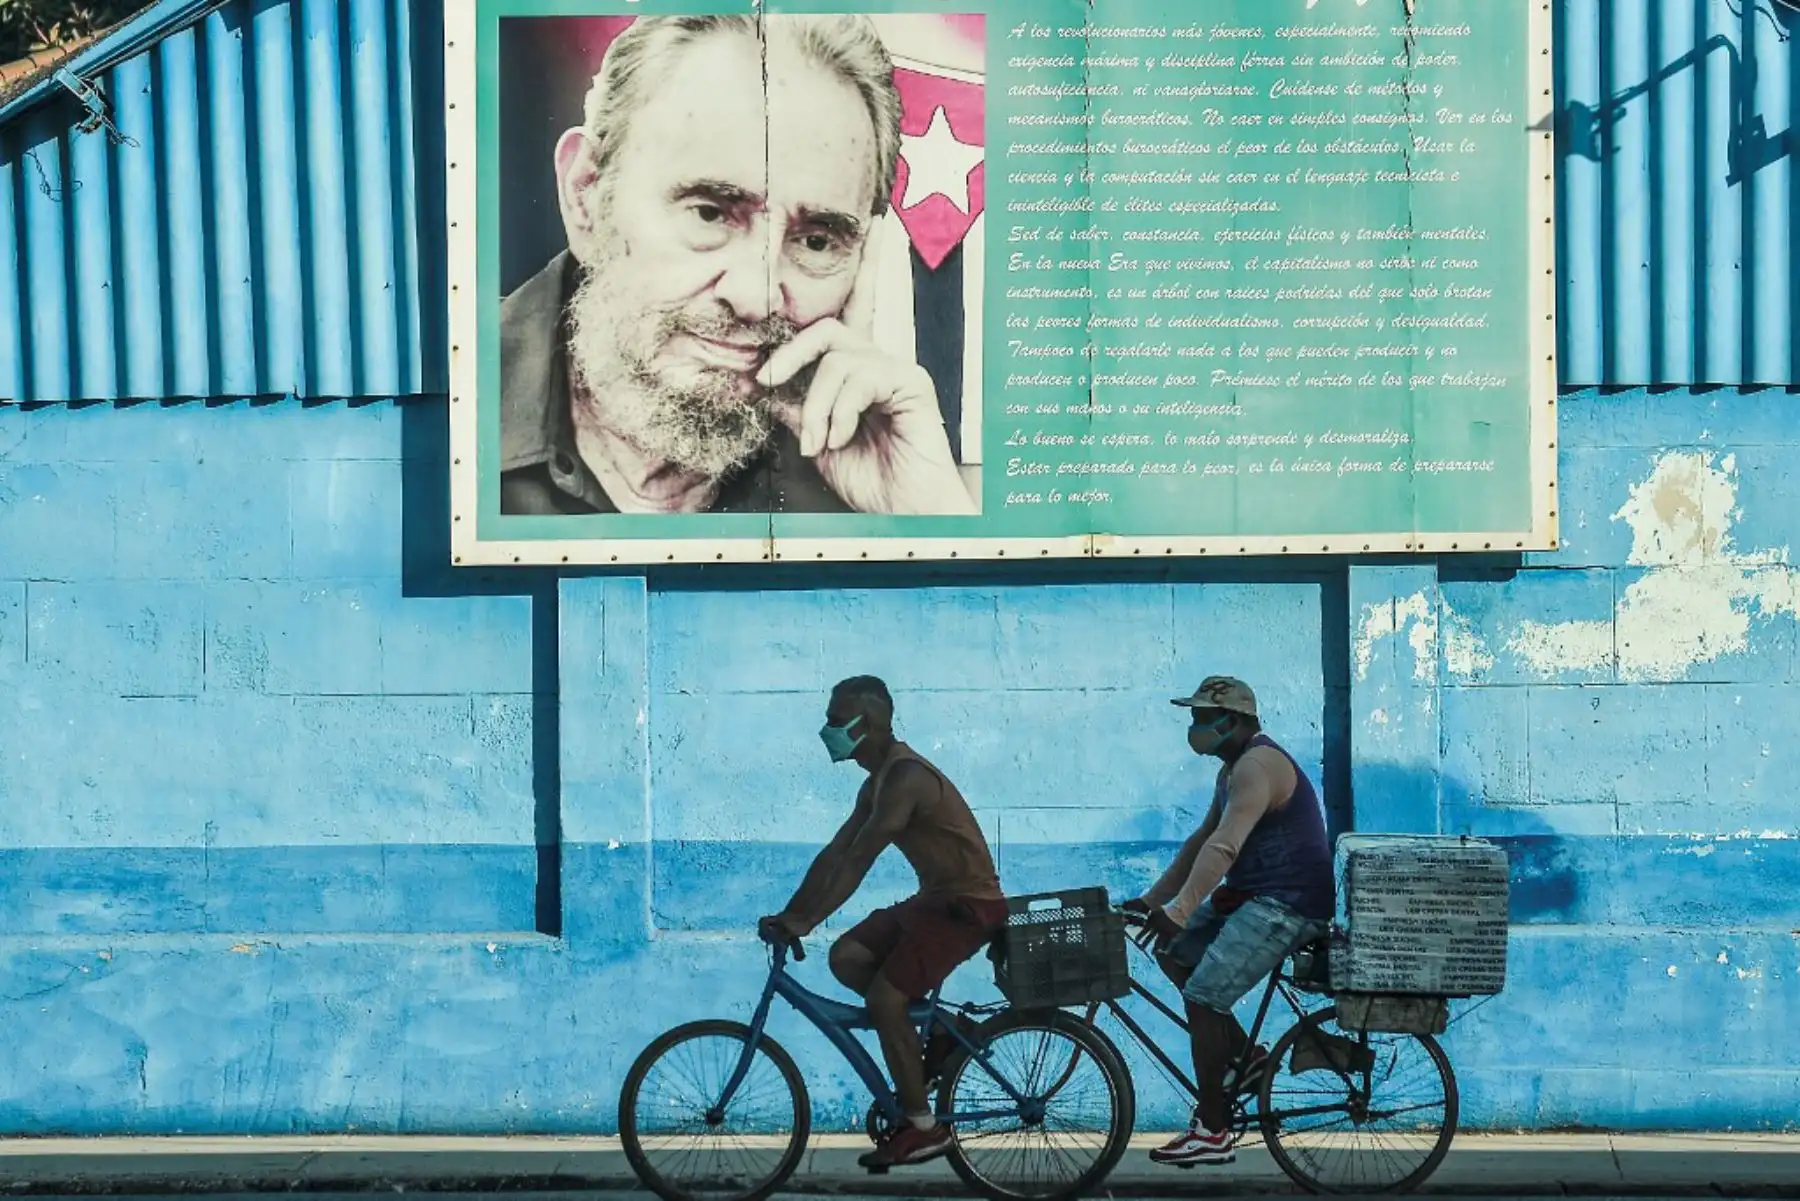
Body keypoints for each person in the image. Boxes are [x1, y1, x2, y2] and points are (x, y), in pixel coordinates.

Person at [500, 14, 974, 517]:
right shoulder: (453, 414)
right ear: (586, 193)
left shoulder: (861, 469)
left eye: (816, 241)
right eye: (710, 213)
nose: (755, 297)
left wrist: (928, 519)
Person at [758, 676, 1007, 1168]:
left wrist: (806, 920)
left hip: (965, 906)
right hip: (933, 901)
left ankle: (922, 1126)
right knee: (847, 956)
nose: (825, 731)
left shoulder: (906, 777)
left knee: (885, 999)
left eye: (834, 721)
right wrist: (790, 912)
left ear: (864, 725)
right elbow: (836, 853)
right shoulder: (877, 782)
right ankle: (947, 1030)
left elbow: (859, 859)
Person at [1123, 676, 1335, 1167]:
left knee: (1202, 996)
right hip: (1253, 898)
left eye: (1202, 718)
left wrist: (1178, 911)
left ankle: (1213, 1128)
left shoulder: (1257, 766)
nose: (1195, 728)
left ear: (1234, 720)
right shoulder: (1233, 770)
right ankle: (1247, 1060)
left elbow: (1225, 847)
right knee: (1173, 952)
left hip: (1288, 904)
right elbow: (1202, 840)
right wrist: (1154, 902)